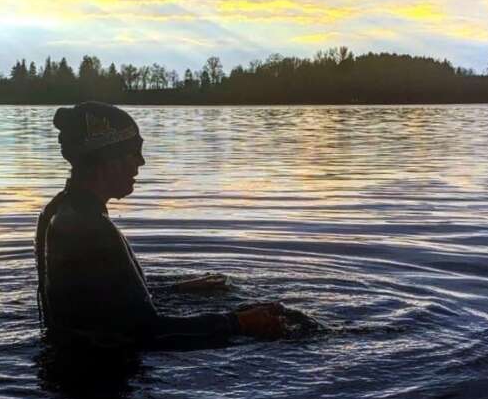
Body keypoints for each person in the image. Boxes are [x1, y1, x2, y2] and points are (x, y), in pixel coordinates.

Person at [35, 101, 307, 350]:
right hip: (100, 389)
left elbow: (98, 302)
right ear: (109, 158)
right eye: (134, 152)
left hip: (69, 373)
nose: (141, 162)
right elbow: (146, 333)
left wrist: (178, 291)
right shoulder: (91, 228)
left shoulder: (58, 210)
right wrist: (238, 323)